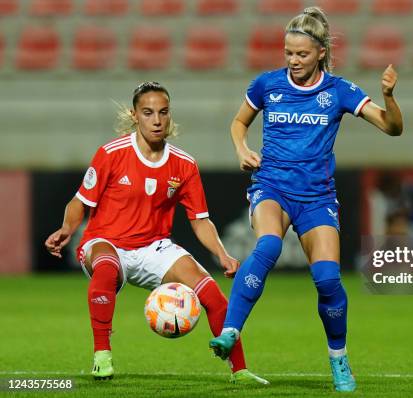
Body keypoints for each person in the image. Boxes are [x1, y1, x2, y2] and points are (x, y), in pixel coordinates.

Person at [208, 7, 403, 392]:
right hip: (272, 186)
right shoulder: (267, 85)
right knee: (266, 245)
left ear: (320, 53)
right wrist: (241, 148)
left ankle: (339, 359)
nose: (293, 61)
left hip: (316, 197)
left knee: (327, 278)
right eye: (288, 53)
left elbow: (393, 128)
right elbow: (238, 122)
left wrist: (389, 96)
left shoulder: (340, 91)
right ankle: (230, 331)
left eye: (301, 54)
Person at [44, 82, 268, 385]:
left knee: (212, 295)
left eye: (163, 112)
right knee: (107, 268)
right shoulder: (111, 153)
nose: (157, 120)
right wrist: (67, 229)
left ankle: (239, 370)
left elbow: (201, 220)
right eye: (148, 113)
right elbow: (80, 201)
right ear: (135, 115)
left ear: (170, 115)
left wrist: (222, 254)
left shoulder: (184, 164)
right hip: (105, 242)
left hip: (154, 248)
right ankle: (102, 356)